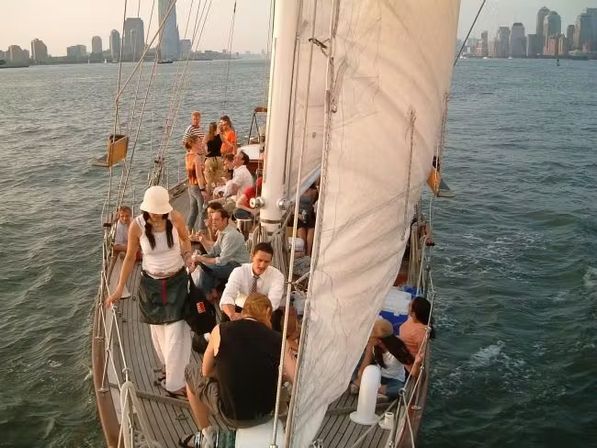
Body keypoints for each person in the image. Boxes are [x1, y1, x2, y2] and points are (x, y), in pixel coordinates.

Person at [105, 186, 195, 398]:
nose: (155, 214)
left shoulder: (176, 218)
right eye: (152, 210)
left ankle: (174, 383)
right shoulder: (136, 226)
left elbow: (185, 239)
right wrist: (119, 288)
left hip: (176, 281)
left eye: (159, 210)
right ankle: (168, 367)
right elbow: (129, 258)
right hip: (151, 284)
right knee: (158, 332)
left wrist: (188, 254)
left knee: (176, 333)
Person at [183, 293, 296, 448]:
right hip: (266, 413)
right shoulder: (278, 340)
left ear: (244, 311)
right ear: (268, 313)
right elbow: (296, 379)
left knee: (190, 372)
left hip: (230, 414)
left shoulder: (220, 330)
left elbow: (206, 371)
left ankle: (206, 434)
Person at [192, 209, 249, 300]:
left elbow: (221, 261)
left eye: (216, 220)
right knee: (205, 259)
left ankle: (206, 294)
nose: (213, 222)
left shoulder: (231, 235)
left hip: (239, 266)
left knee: (204, 265)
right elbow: (213, 252)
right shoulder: (222, 232)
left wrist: (200, 259)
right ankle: (212, 290)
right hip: (229, 262)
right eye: (213, 219)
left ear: (225, 220)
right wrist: (202, 240)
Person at [219, 242, 285, 320]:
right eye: (259, 260)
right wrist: (232, 315)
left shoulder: (277, 275)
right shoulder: (239, 271)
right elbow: (228, 295)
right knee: (226, 316)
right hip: (241, 307)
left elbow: (272, 303)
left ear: (270, 261)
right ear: (252, 256)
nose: (262, 265)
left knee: (274, 317)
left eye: (266, 262)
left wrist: (250, 318)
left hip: (263, 311)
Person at [354, 319, 414, 399]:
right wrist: (369, 348)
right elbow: (362, 371)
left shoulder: (397, 348)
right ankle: (380, 392)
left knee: (399, 390)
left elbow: (410, 366)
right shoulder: (373, 347)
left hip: (394, 380)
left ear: (379, 340)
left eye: (371, 336)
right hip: (378, 376)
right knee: (356, 374)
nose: (368, 338)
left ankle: (374, 390)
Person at [399, 297, 434, 376]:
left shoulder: (420, 332)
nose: (408, 304)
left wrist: (415, 368)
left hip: (406, 366)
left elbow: (421, 356)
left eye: (410, 305)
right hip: (401, 353)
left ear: (414, 313)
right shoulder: (413, 320)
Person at [185, 134, 208, 235]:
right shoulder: (196, 157)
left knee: (193, 209)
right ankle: (201, 231)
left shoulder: (187, 155)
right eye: (199, 142)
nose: (201, 144)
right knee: (203, 209)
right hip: (197, 186)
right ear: (194, 144)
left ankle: (189, 229)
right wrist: (203, 189)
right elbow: (199, 175)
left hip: (190, 186)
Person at [203, 122, 224, 197]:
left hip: (210, 159)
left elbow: (202, 145)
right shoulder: (220, 136)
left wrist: (206, 153)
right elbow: (225, 142)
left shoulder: (207, 136)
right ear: (216, 128)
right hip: (218, 159)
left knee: (209, 181)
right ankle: (219, 195)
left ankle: (208, 197)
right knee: (219, 178)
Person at [297, 183, 318, 256]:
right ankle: (303, 254)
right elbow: (293, 206)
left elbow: (313, 203)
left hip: (309, 215)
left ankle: (308, 254)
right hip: (299, 215)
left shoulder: (314, 191)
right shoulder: (297, 189)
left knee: (310, 234)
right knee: (302, 239)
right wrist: (298, 215)